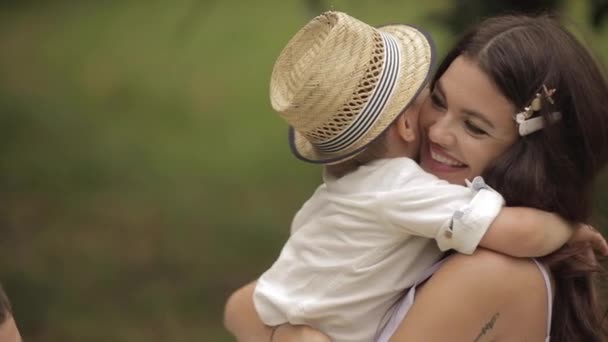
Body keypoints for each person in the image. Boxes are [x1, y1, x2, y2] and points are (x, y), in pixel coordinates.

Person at [224, 11, 605, 342]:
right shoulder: (416, 227)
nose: (437, 132)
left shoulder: (489, 271)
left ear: (530, 156)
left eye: (474, 127)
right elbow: (241, 307)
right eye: (437, 101)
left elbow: (249, 310)